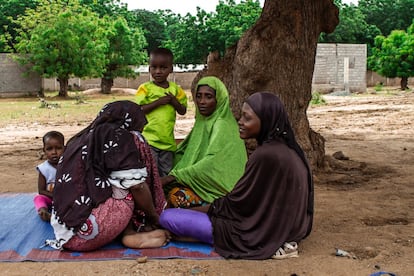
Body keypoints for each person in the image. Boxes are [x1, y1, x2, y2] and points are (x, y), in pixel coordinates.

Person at [159, 92, 314, 260]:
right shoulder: (288, 148)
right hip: (292, 227)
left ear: (266, 120)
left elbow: (236, 205)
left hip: (264, 231)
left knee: (169, 218)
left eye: (247, 118)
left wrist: (191, 211)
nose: (240, 122)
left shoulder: (266, 154)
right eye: (241, 116)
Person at [47, 101, 169, 251]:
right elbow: (137, 186)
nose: (141, 130)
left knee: (114, 180)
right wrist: (154, 217)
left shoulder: (80, 139)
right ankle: (130, 232)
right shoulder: (120, 136)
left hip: (66, 233)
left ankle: (128, 232)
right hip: (89, 230)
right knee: (130, 182)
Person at [161, 76, 247, 208]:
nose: (202, 101)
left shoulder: (222, 124)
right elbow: (185, 152)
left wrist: (173, 177)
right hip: (200, 183)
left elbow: (212, 162)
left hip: (219, 191)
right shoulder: (202, 122)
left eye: (208, 96)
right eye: (199, 96)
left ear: (219, 99)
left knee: (176, 196)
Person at [135, 47, 187, 177]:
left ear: (171, 69)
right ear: (149, 69)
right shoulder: (145, 88)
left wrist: (173, 101)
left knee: (165, 173)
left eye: (163, 68)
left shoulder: (176, 90)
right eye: (154, 67)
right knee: (150, 173)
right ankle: (151, 197)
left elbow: (183, 110)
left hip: (168, 142)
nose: (158, 71)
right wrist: (158, 102)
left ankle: (163, 196)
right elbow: (138, 110)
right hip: (149, 140)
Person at [33, 131, 65, 222]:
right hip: (50, 199)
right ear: (44, 150)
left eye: (58, 148)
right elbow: (41, 191)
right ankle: (43, 211)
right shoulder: (43, 169)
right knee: (38, 198)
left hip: (65, 199)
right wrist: (55, 196)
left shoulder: (68, 166)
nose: (54, 152)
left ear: (64, 148)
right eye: (49, 149)